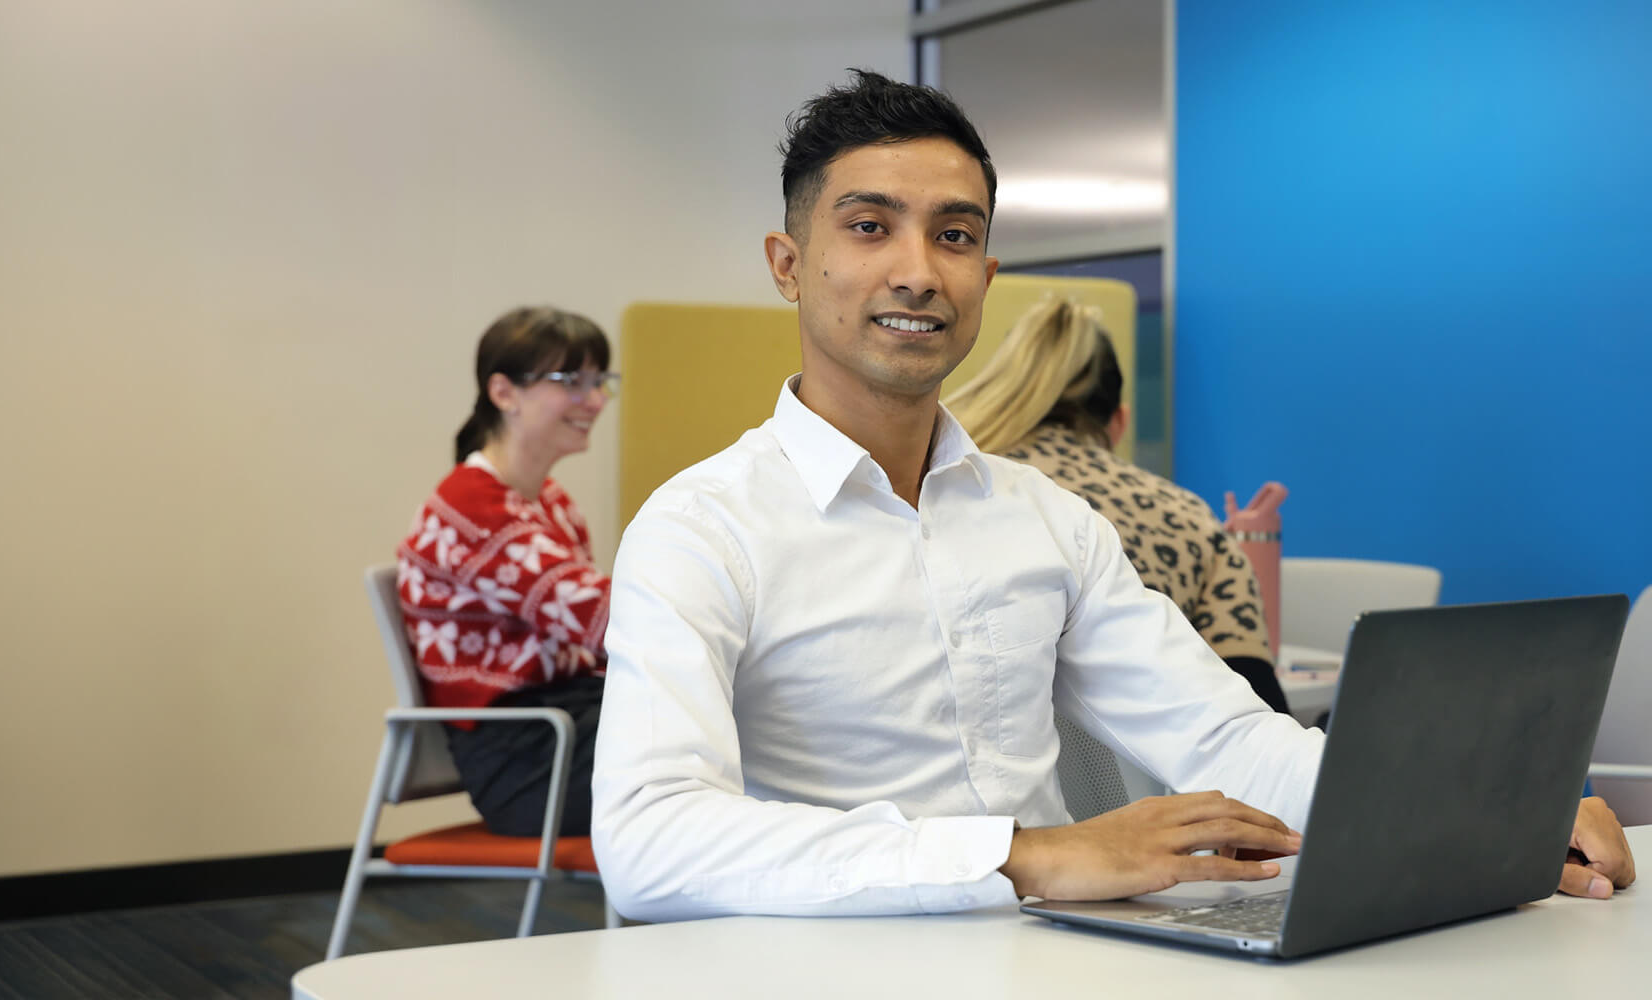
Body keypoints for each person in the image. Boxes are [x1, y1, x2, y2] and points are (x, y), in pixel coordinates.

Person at [590, 70, 1633, 920]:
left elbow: (1222, 737)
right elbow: (647, 840)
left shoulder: (1042, 519)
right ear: (787, 264)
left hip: (1058, 959)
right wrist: (1025, 856)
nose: (917, 271)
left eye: (953, 235)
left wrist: (1487, 814)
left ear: (985, 274)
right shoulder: (699, 528)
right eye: (869, 227)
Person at [945, 298, 1292, 714]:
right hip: (1152, 773)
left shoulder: (948, 487)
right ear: (1120, 422)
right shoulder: (1187, 517)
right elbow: (1255, 700)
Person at [397, 306, 620, 837]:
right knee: (736, 749)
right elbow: (608, 624)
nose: (594, 401)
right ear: (504, 393)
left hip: (567, 727)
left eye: (600, 382)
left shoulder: (548, 499)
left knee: (737, 736)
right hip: (529, 759)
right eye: (572, 381)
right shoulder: (472, 506)